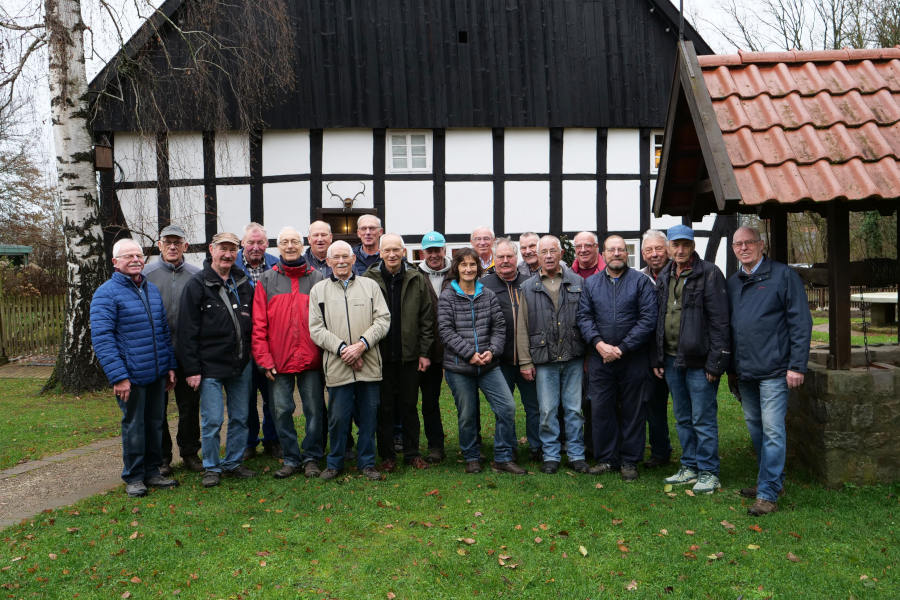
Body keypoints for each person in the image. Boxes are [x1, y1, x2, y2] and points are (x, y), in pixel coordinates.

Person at [728, 226, 812, 516]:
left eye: (749, 242)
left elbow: (800, 322)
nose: (743, 248)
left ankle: (767, 493)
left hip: (775, 369)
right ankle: (772, 480)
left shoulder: (783, 276)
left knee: (773, 430)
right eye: (738, 244)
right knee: (756, 427)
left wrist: (797, 365)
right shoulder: (734, 282)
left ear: (761, 245)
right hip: (745, 371)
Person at [91, 239, 179, 497]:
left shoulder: (150, 290)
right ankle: (134, 476)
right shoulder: (106, 294)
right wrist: (119, 377)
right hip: (131, 376)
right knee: (134, 426)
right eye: (128, 256)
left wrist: (169, 366)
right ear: (115, 262)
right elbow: (103, 339)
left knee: (155, 423)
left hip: (155, 373)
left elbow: (162, 332)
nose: (135, 260)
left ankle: (152, 471)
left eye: (138, 255)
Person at [652, 225, 731, 495]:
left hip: (700, 361)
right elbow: (658, 319)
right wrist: (658, 356)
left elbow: (721, 322)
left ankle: (709, 471)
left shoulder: (709, 273)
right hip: (673, 360)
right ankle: (689, 466)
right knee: (683, 417)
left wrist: (715, 363)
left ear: (693, 245)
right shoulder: (664, 275)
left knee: (703, 418)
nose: (681, 250)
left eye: (686, 244)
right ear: (669, 248)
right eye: (676, 245)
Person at [178, 232, 256, 487]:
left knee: (240, 417)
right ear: (211, 250)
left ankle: (233, 463)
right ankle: (211, 467)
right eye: (223, 249)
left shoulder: (243, 283)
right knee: (212, 420)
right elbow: (186, 331)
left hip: (240, 364)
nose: (227, 254)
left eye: (232, 250)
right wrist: (191, 369)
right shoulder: (197, 284)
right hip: (209, 366)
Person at [437, 248, 525, 475]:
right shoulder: (448, 295)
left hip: (488, 365)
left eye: (472, 265)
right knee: (467, 414)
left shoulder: (487, 294)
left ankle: (503, 457)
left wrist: (492, 351)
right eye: (464, 265)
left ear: (479, 268)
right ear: (456, 268)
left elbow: (499, 327)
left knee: (507, 407)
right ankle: (472, 456)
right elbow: (445, 331)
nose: (468, 269)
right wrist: (469, 353)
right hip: (459, 367)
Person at [577, 235, 657, 480]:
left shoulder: (641, 282)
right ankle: (607, 459)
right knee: (602, 410)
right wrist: (600, 345)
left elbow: (648, 319)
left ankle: (630, 461)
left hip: (632, 359)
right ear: (604, 253)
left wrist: (622, 348)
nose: (617, 254)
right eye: (611, 250)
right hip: (601, 360)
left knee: (633, 410)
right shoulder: (591, 284)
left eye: (621, 250)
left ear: (627, 254)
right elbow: (584, 317)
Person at [309, 241, 391, 480]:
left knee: (368, 418)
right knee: (337, 419)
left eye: (346, 256)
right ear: (328, 261)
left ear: (354, 260)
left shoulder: (370, 286)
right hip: (337, 366)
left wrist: (362, 346)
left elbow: (383, 320)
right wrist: (344, 349)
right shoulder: (319, 291)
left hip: (368, 364)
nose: (342, 261)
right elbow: (316, 329)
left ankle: (367, 463)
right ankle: (335, 463)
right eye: (336, 258)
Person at [251, 227, 326, 479]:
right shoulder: (267, 280)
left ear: (303, 245)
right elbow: (258, 324)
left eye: (295, 241)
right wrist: (264, 360)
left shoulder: (317, 279)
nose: (290, 246)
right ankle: (291, 457)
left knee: (314, 410)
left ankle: (312, 457)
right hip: (278, 361)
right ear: (278, 247)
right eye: (285, 242)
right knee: (281, 410)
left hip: (311, 358)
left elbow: (326, 319)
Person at [517, 235, 589, 474]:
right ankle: (551, 455)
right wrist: (526, 361)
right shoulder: (527, 287)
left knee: (574, 409)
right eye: (543, 252)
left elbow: (587, 319)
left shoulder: (577, 282)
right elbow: (522, 327)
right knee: (547, 410)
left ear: (561, 254)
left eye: (552, 251)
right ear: (537, 257)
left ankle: (577, 454)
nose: (548, 256)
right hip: (544, 358)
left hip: (573, 357)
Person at [363, 234, 434, 472]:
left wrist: (424, 352)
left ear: (403, 251)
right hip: (379, 356)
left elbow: (426, 318)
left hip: (409, 356)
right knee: (384, 408)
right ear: (380, 253)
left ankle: (413, 453)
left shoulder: (416, 277)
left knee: (409, 406)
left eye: (396, 250)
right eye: (387, 250)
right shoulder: (368, 278)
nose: (392, 255)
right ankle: (387, 456)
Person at [142, 225, 202, 475]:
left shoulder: (197, 275)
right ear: (159, 245)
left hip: (188, 353)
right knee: (158, 409)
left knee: (189, 408)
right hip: (157, 354)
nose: (173, 247)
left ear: (185, 246)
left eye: (177, 242)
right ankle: (162, 457)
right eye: (168, 242)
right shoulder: (146, 274)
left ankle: (189, 452)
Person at [482, 238, 541, 463]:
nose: (505, 261)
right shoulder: (485, 285)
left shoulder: (530, 283)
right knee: (503, 409)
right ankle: (508, 447)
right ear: (494, 259)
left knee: (534, 406)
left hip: (529, 357)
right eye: (500, 257)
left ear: (516, 258)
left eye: (509, 256)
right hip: (499, 360)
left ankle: (537, 447)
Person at [234, 222, 280, 460]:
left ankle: (273, 440)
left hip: (271, 343)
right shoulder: (232, 266)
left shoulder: (276, 264)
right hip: (241, 344)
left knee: (273, 396)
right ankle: (250, 441)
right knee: (246, 396)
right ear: (243, 243)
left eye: (260, 242)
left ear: (267, 243)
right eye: (250, 242)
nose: (255, 247)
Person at [639, 229, 673, 468]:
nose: (654, 254)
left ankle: (696, 460)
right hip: (651, 354)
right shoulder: (640, 279)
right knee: (654, 405)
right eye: (649, 250)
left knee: (687, 409)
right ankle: (660, 453)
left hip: (678, 351)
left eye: (658, 248)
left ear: (668, 250)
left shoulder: (678, 273)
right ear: (642, 254)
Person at [416, 231, 451, 462]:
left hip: (454, 348)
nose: (434, 255)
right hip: (426, 350)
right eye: (430, 251)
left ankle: (473, 442)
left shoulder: (457, 272)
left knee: (466, 399)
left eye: (437, 250)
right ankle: (435, 446)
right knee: (429, 401)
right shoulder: (414, 274)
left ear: (444, 250)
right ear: (423, 253)